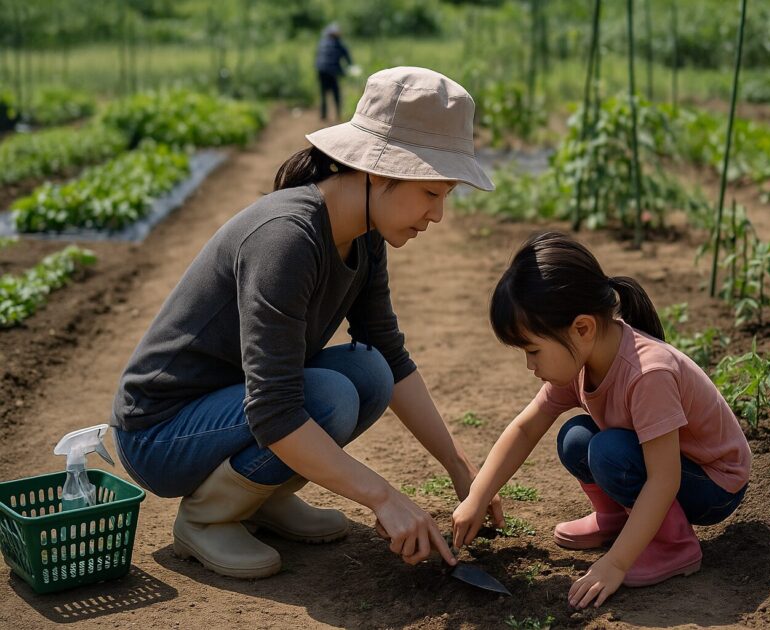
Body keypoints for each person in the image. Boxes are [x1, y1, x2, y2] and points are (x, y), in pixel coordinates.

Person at [109, 66, 503, 579]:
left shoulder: (365, 236)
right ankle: (206, 519)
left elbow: (389, 353)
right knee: (329, 396)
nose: (438, 215)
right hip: (160, 432)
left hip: (230, 406)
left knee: (371, 372)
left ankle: (258, 499)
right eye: (432, 193)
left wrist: (460, 468)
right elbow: (274, 410)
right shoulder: (287, 238)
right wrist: (383, 497)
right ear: (381, 171)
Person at [452, 232, 751, 609]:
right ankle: (615, 518)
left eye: (532, 350)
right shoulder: (584, 358)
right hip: (670, 469)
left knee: (608, 451)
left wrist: (616, 564)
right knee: (576, 438)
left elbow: (665, 478)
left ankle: (673, 546)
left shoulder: (647, 373)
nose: (530, 366)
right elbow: (526, 427)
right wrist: (477, 497)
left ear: (582, 328)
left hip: (714, 483)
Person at [315, 22, 352, 121]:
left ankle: (323, 116)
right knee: (336, 92)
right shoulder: (337, 43)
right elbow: (345, 55)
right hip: (331, 71)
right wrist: (349, 67)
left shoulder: (322, 42)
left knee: (323, 93)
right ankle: (338, 115)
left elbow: (318, 56)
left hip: (321, 70)